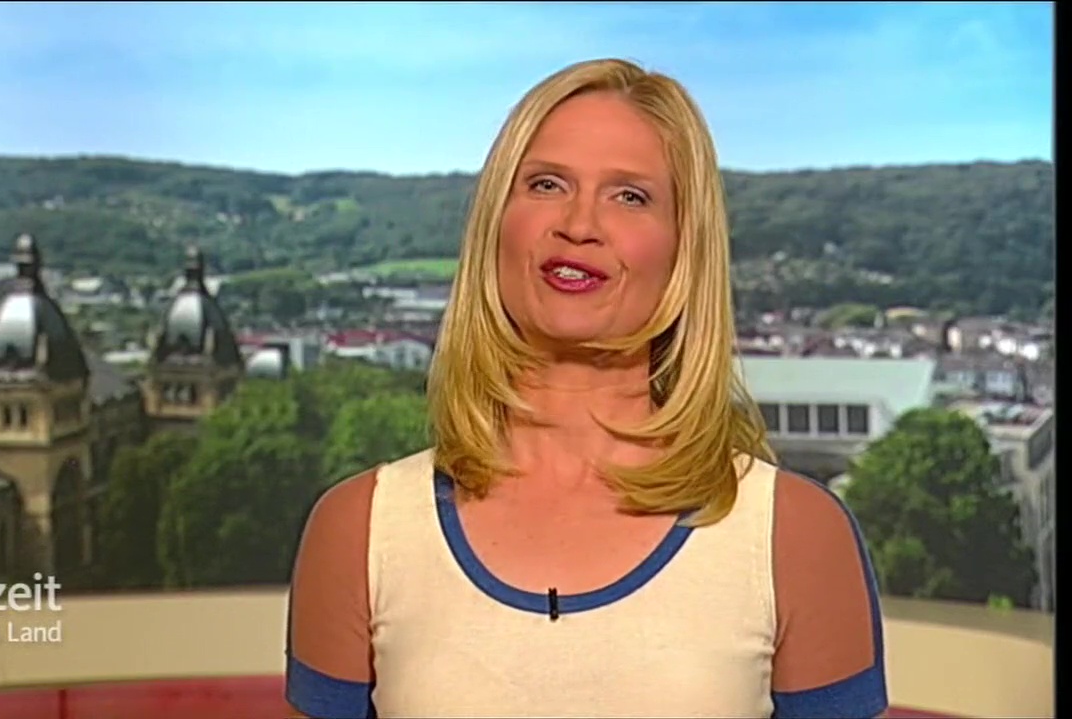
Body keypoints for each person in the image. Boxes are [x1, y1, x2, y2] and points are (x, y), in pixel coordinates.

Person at [284, 57, 889, 719]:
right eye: (546, 184)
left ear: (684, 249)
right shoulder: (362, 531)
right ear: (495, 224)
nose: (578, 223)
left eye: (629, 196)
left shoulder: (793, 536)